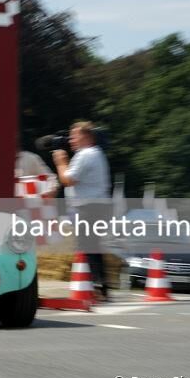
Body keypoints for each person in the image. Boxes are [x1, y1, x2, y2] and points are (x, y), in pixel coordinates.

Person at [52, 122, 111, 300]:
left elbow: (68, 180)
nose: (70, 140)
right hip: (96, 205)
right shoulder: (96, 153)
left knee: (88, 246)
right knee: (93, 246)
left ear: (86, 137)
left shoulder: (85, 154)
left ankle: (94, 286)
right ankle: (100, 286)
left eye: (74, 136)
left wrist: (60, 162)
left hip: (88, 207)